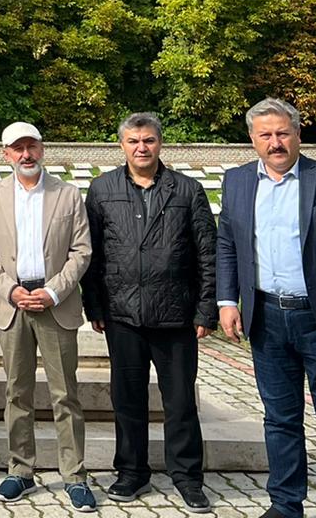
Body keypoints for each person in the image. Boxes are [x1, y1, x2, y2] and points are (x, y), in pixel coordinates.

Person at [217, 98, 316, 518]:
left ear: (298, 134)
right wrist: (226, 300)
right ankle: (286, 505)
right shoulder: (236, 182)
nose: (275, 142)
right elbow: (227, 245)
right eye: (265, 135)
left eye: (282, 133)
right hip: (266, 320)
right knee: (280, 419)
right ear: (252, 140)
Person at [81, 113, 216, 513]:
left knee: (179, 403)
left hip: (175, 315)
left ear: (160, 144)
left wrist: (205, 309)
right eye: (134, 141)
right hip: (123, 316)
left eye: (149, 140)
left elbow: (207, 253)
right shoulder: (102, 189)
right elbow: (92, 255)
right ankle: (131, 472)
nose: (142, 147)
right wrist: (95, 305)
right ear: (121, 145)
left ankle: (187, 477)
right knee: (127, 400)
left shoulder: (188, 191)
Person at [0, 121, 95, 512]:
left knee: (65, 395)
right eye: (17, 148)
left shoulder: (67, 194)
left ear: (42, 149)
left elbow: (81, 251)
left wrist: (53, 290)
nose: (26, 155)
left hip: (53, 302)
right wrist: (8, 288)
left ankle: (73, 475)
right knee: (17, 392)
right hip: (13, 301)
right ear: (5, 153)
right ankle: (20, 470)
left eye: (32, 147)